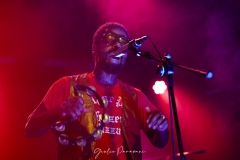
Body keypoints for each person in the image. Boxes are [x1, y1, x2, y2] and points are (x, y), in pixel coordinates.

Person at [25, 22, 169, 160]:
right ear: (94, 48)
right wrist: (58, 111)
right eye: (109, 38)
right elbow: (30, 129)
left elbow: (160, 142)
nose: (117, 44)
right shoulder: (66, 85)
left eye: (123, 41)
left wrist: (161, 126)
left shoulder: (135, 95)